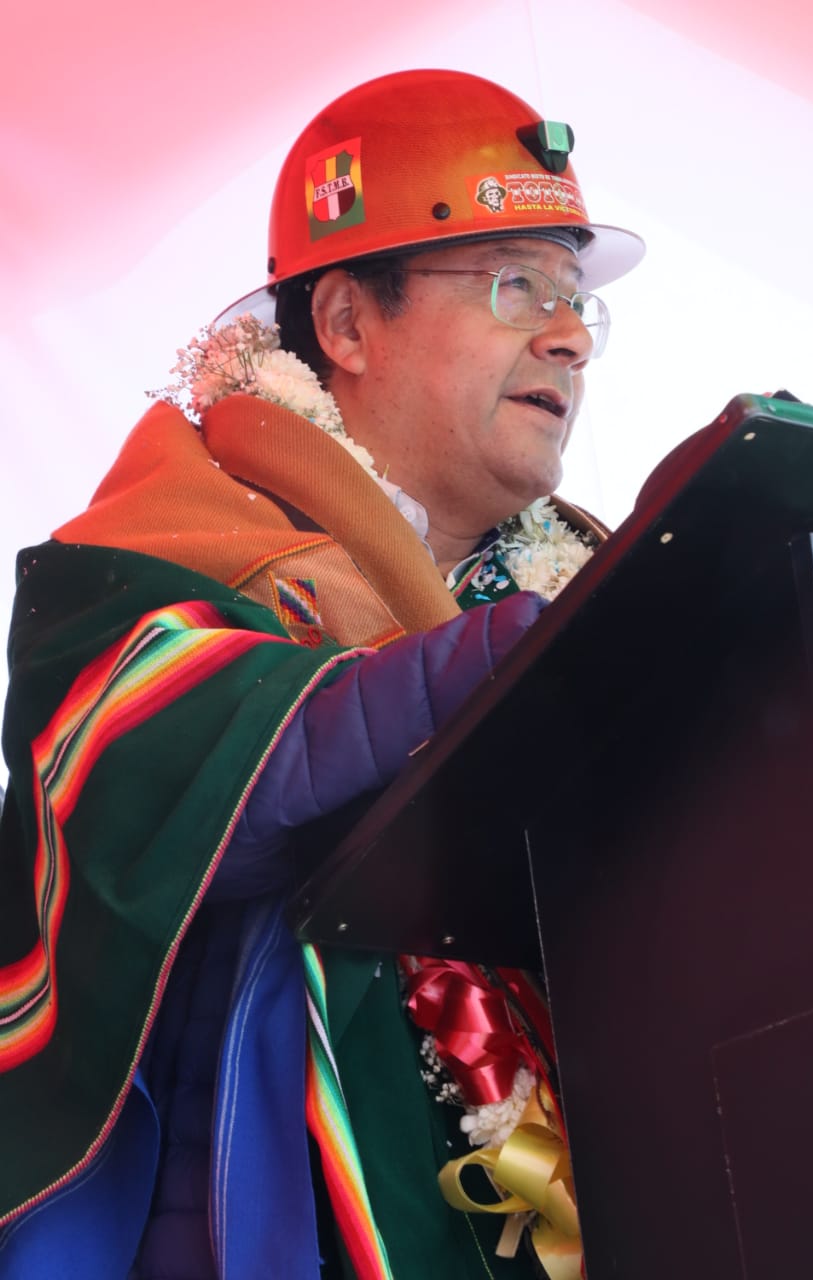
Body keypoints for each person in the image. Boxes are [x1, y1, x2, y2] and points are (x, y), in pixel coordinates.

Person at [0, 69, 644, 1279]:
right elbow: (205, 816)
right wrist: (510, 657)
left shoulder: (589, 572)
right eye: (516, 286)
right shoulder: (153, 551)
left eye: (575, 300)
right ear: (347, 325)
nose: (567, 334)